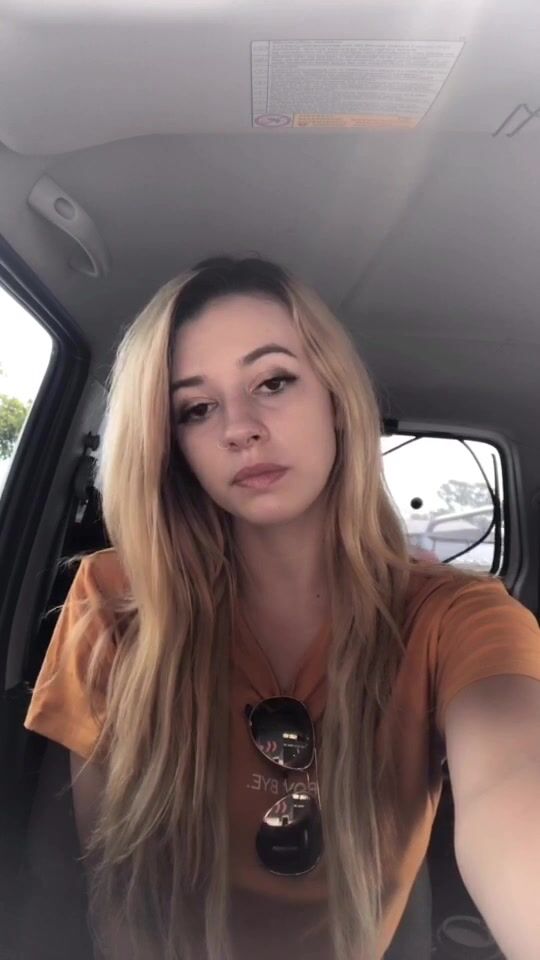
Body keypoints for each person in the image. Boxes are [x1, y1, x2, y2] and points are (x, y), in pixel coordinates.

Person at [23, 256, 540, 960]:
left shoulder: (457, 618)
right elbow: (110, 879)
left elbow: (515, 781)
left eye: (273, 382)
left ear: (335, 398)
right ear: (173, 446)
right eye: (196, 409)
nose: (239, 428)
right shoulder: (113, 599)